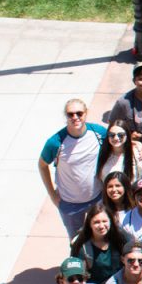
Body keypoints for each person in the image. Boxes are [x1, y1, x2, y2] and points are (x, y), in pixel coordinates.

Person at [40, 99, 107, 238]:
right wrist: (52, 195)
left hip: (97, 198)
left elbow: (118, 142)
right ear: (66, 116)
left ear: (86, 113)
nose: (75, 117)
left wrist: (136, 145)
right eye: (70, 114)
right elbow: (42, 165)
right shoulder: (55, 142)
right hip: (69, 204)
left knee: (103, 237)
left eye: (79, 113)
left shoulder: (98, 132)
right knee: (77, 241)